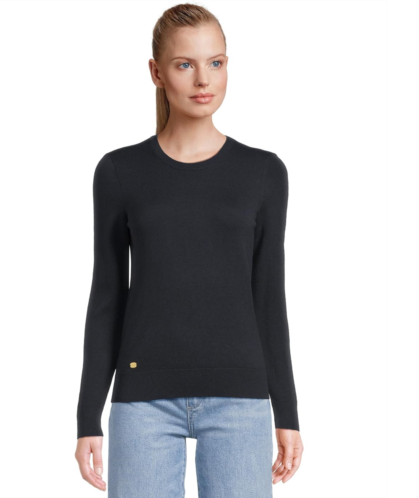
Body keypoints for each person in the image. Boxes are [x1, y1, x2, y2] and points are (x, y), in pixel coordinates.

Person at [75, 3, 304, 496]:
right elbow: (107, 297)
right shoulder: (119, 172)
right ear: (156, 72)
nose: (204, 79)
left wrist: (287, 412)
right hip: (143, 403)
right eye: (185, 64)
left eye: (215, 63)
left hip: (240, 402)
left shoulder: (263, 173)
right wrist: (87, 416)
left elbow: (269, 298)